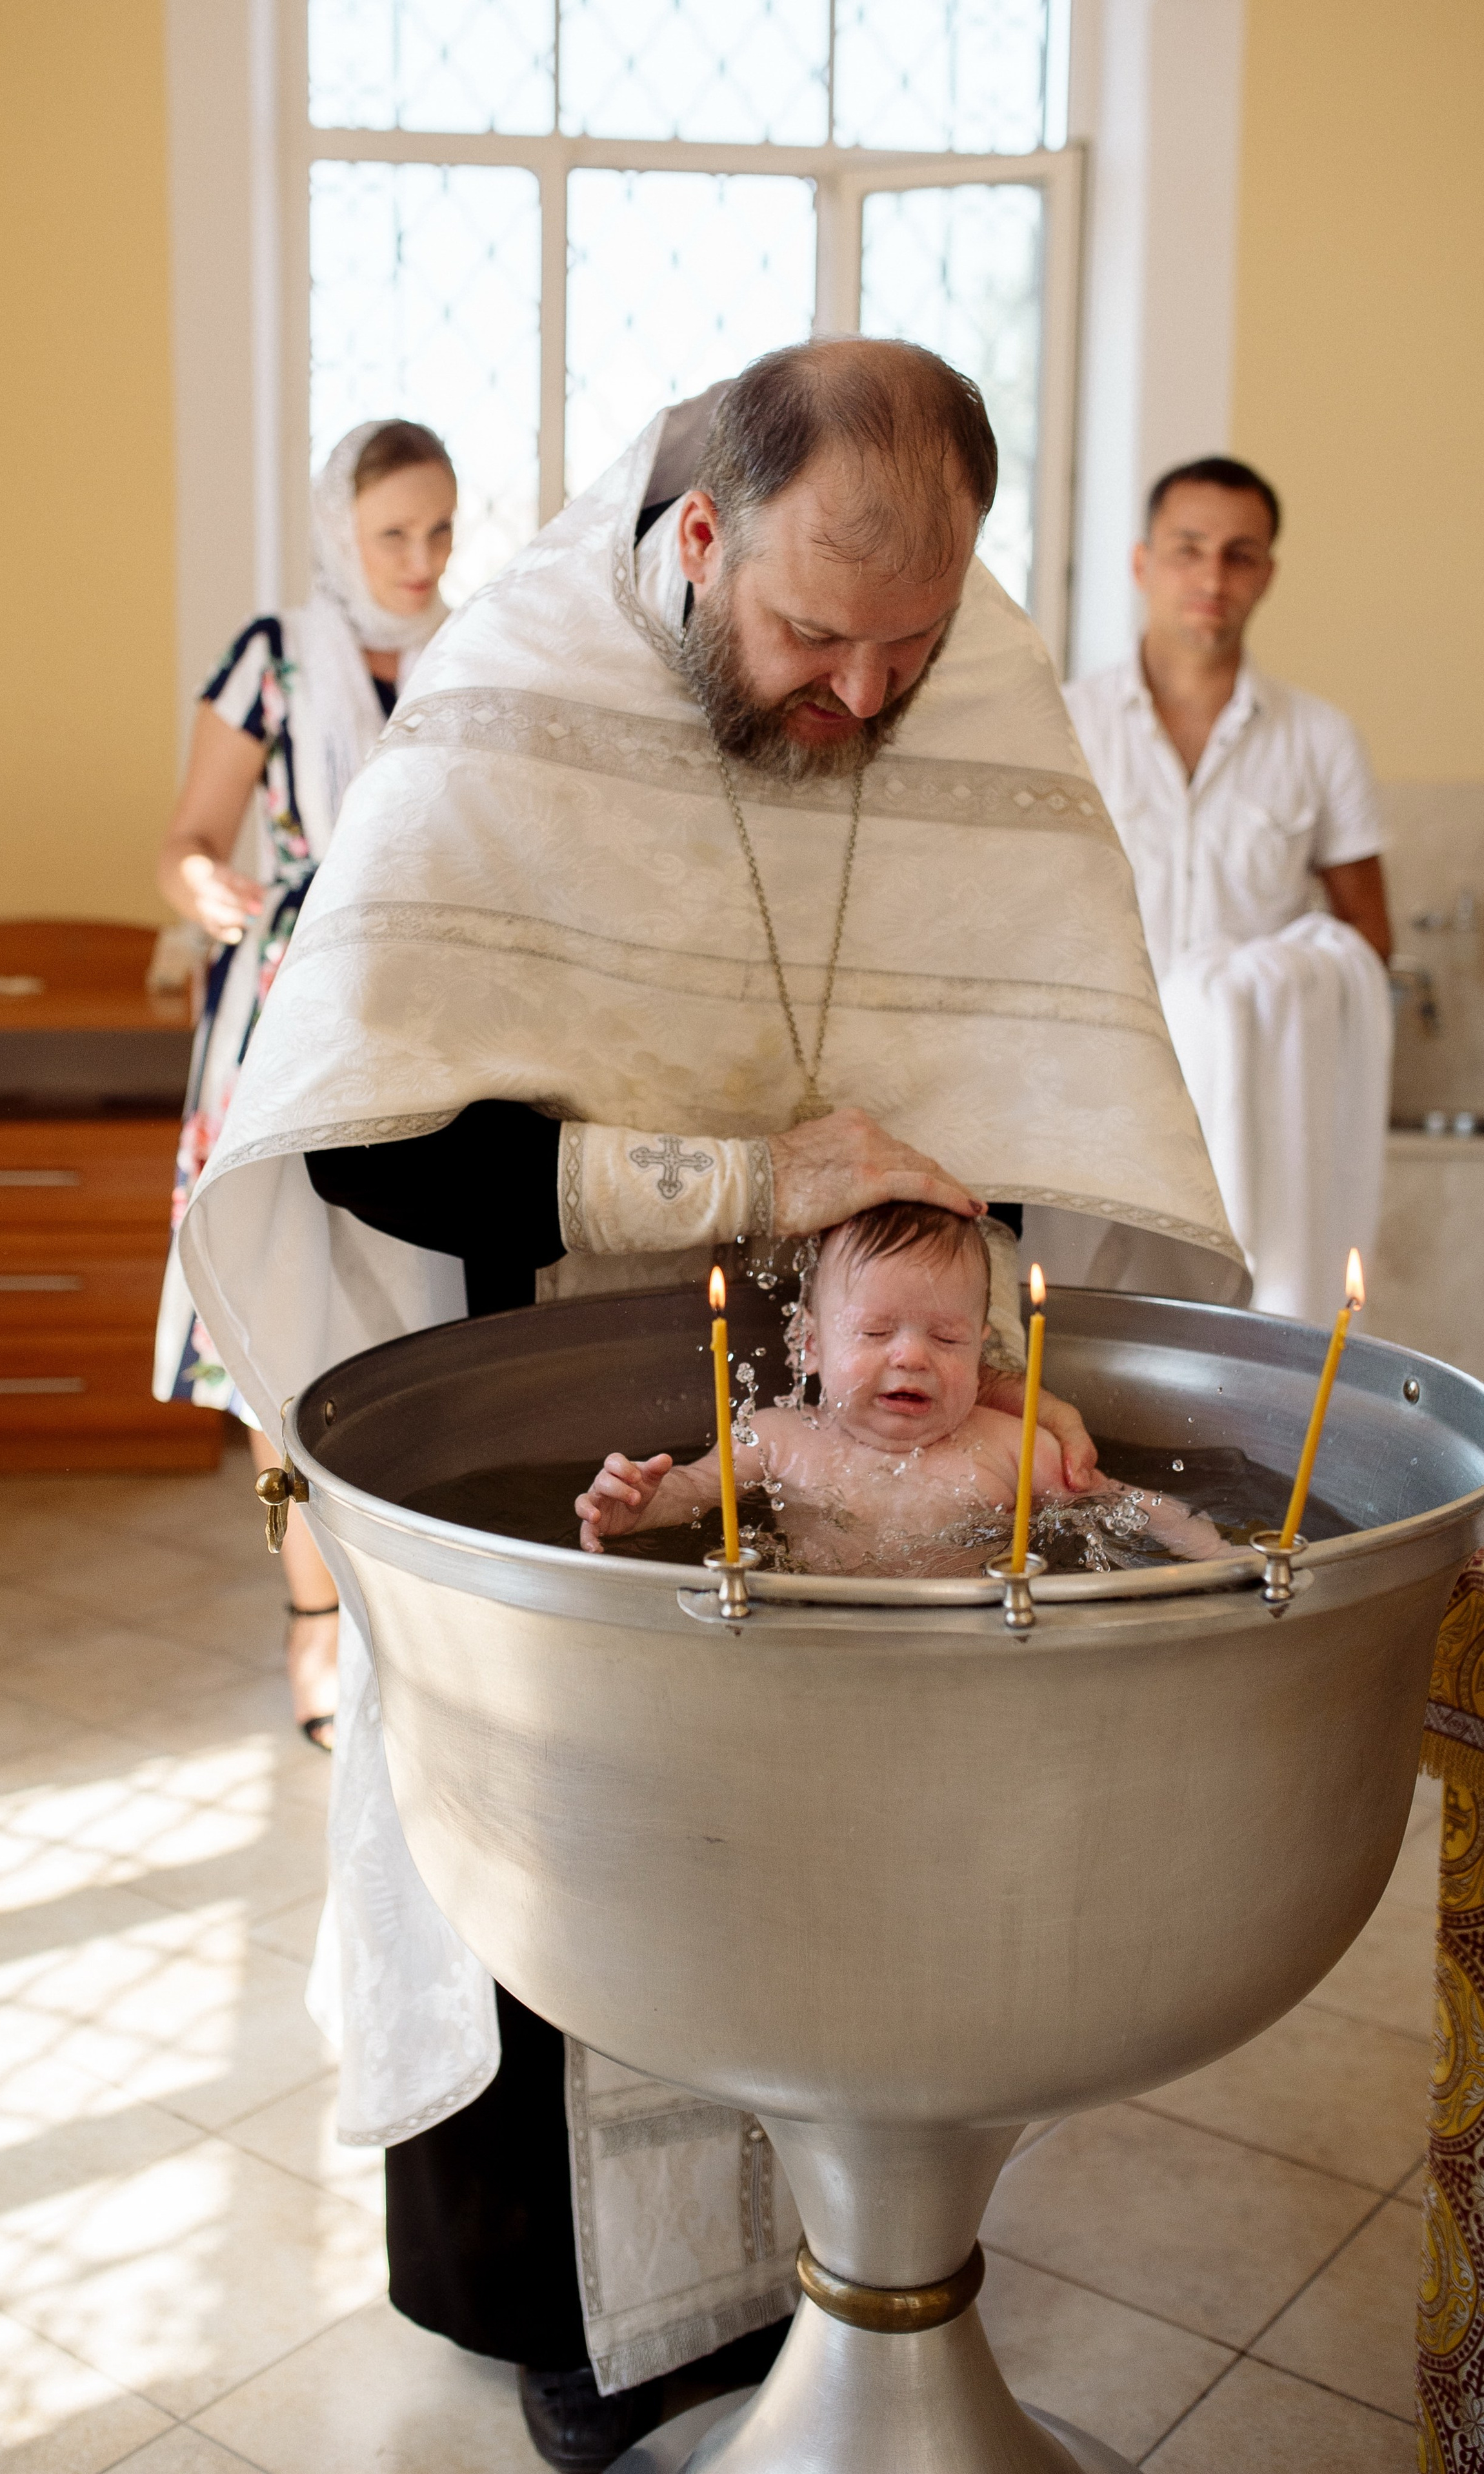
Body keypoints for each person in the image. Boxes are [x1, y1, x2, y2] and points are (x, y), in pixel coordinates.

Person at [179, 342, 1244, 2471]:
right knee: (572, 1840)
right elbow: (373, 1132)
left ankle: (839, 2268)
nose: (862, 700)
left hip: (875, 1401)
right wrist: (739, 1182)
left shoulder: (980, 680)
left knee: (843, 1847)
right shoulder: (512, 694)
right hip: (551, 1362)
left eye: (911, 652)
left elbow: (1030, 1077)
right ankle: (588, 2322)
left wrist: (924, 1275)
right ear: (693, 541)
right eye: (814, 640)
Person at [151, 420, 457, 1746]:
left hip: (431, 1015)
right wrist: (200, 888)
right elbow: (186, 838)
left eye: (441, 530)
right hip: (283, 1016)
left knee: (412, 1317)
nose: (419, 557)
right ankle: (312, 1618)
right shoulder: (273, 657)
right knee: (280, 1331)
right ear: (341, 527)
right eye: (393, 532)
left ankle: (421, 1631)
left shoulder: (477, 655)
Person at [1065, 458, 1394, 1318]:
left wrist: (1267, 988)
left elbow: (1369, 936)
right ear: (1142, 563)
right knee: (1084, 1333)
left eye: (1241, 555)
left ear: (1269, 573)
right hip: (1097, 1106)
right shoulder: (1063, 724)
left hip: (1256, 1122)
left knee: (1252, 1349)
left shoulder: (1322, 739)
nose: (1213, 578)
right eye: (1189, 549)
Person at [577, 1201, 1227, 1571]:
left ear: (981, 1351)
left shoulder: (1007, 1445)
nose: (911, 1356)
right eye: (874, 1332)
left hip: (970, 1650)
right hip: (810, 1644)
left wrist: (1221, 1557)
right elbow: (695, 1488)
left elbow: (1124, 1506)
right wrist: (640, 1503)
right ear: (809, 1345)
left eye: (946, 1339)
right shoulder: (778, 1439)